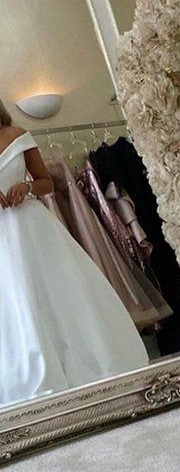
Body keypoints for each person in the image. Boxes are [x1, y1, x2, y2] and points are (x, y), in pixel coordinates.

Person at [0, 107, 149, 407]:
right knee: (14, 299)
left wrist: (26, 187)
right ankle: (27, 376)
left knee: (56, 292)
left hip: (32, 226)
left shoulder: (17, 135)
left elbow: (46, 182)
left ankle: (87, 364)